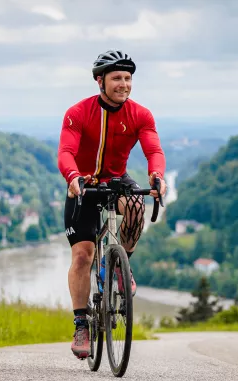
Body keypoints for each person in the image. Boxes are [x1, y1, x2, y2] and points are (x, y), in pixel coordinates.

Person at [57, 50, 167, 359]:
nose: (124, 84)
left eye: (128, 78)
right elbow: (66, 151)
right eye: (116, 78)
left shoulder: (140, 115)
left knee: (134, 206)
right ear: (99, 81)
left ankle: (119, 265)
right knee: (82, 255)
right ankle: (81, 324)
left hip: (116, 178)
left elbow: (153, 150)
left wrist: (157, 176)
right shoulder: (78, 112)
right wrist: (73, 176)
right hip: (83, 183)